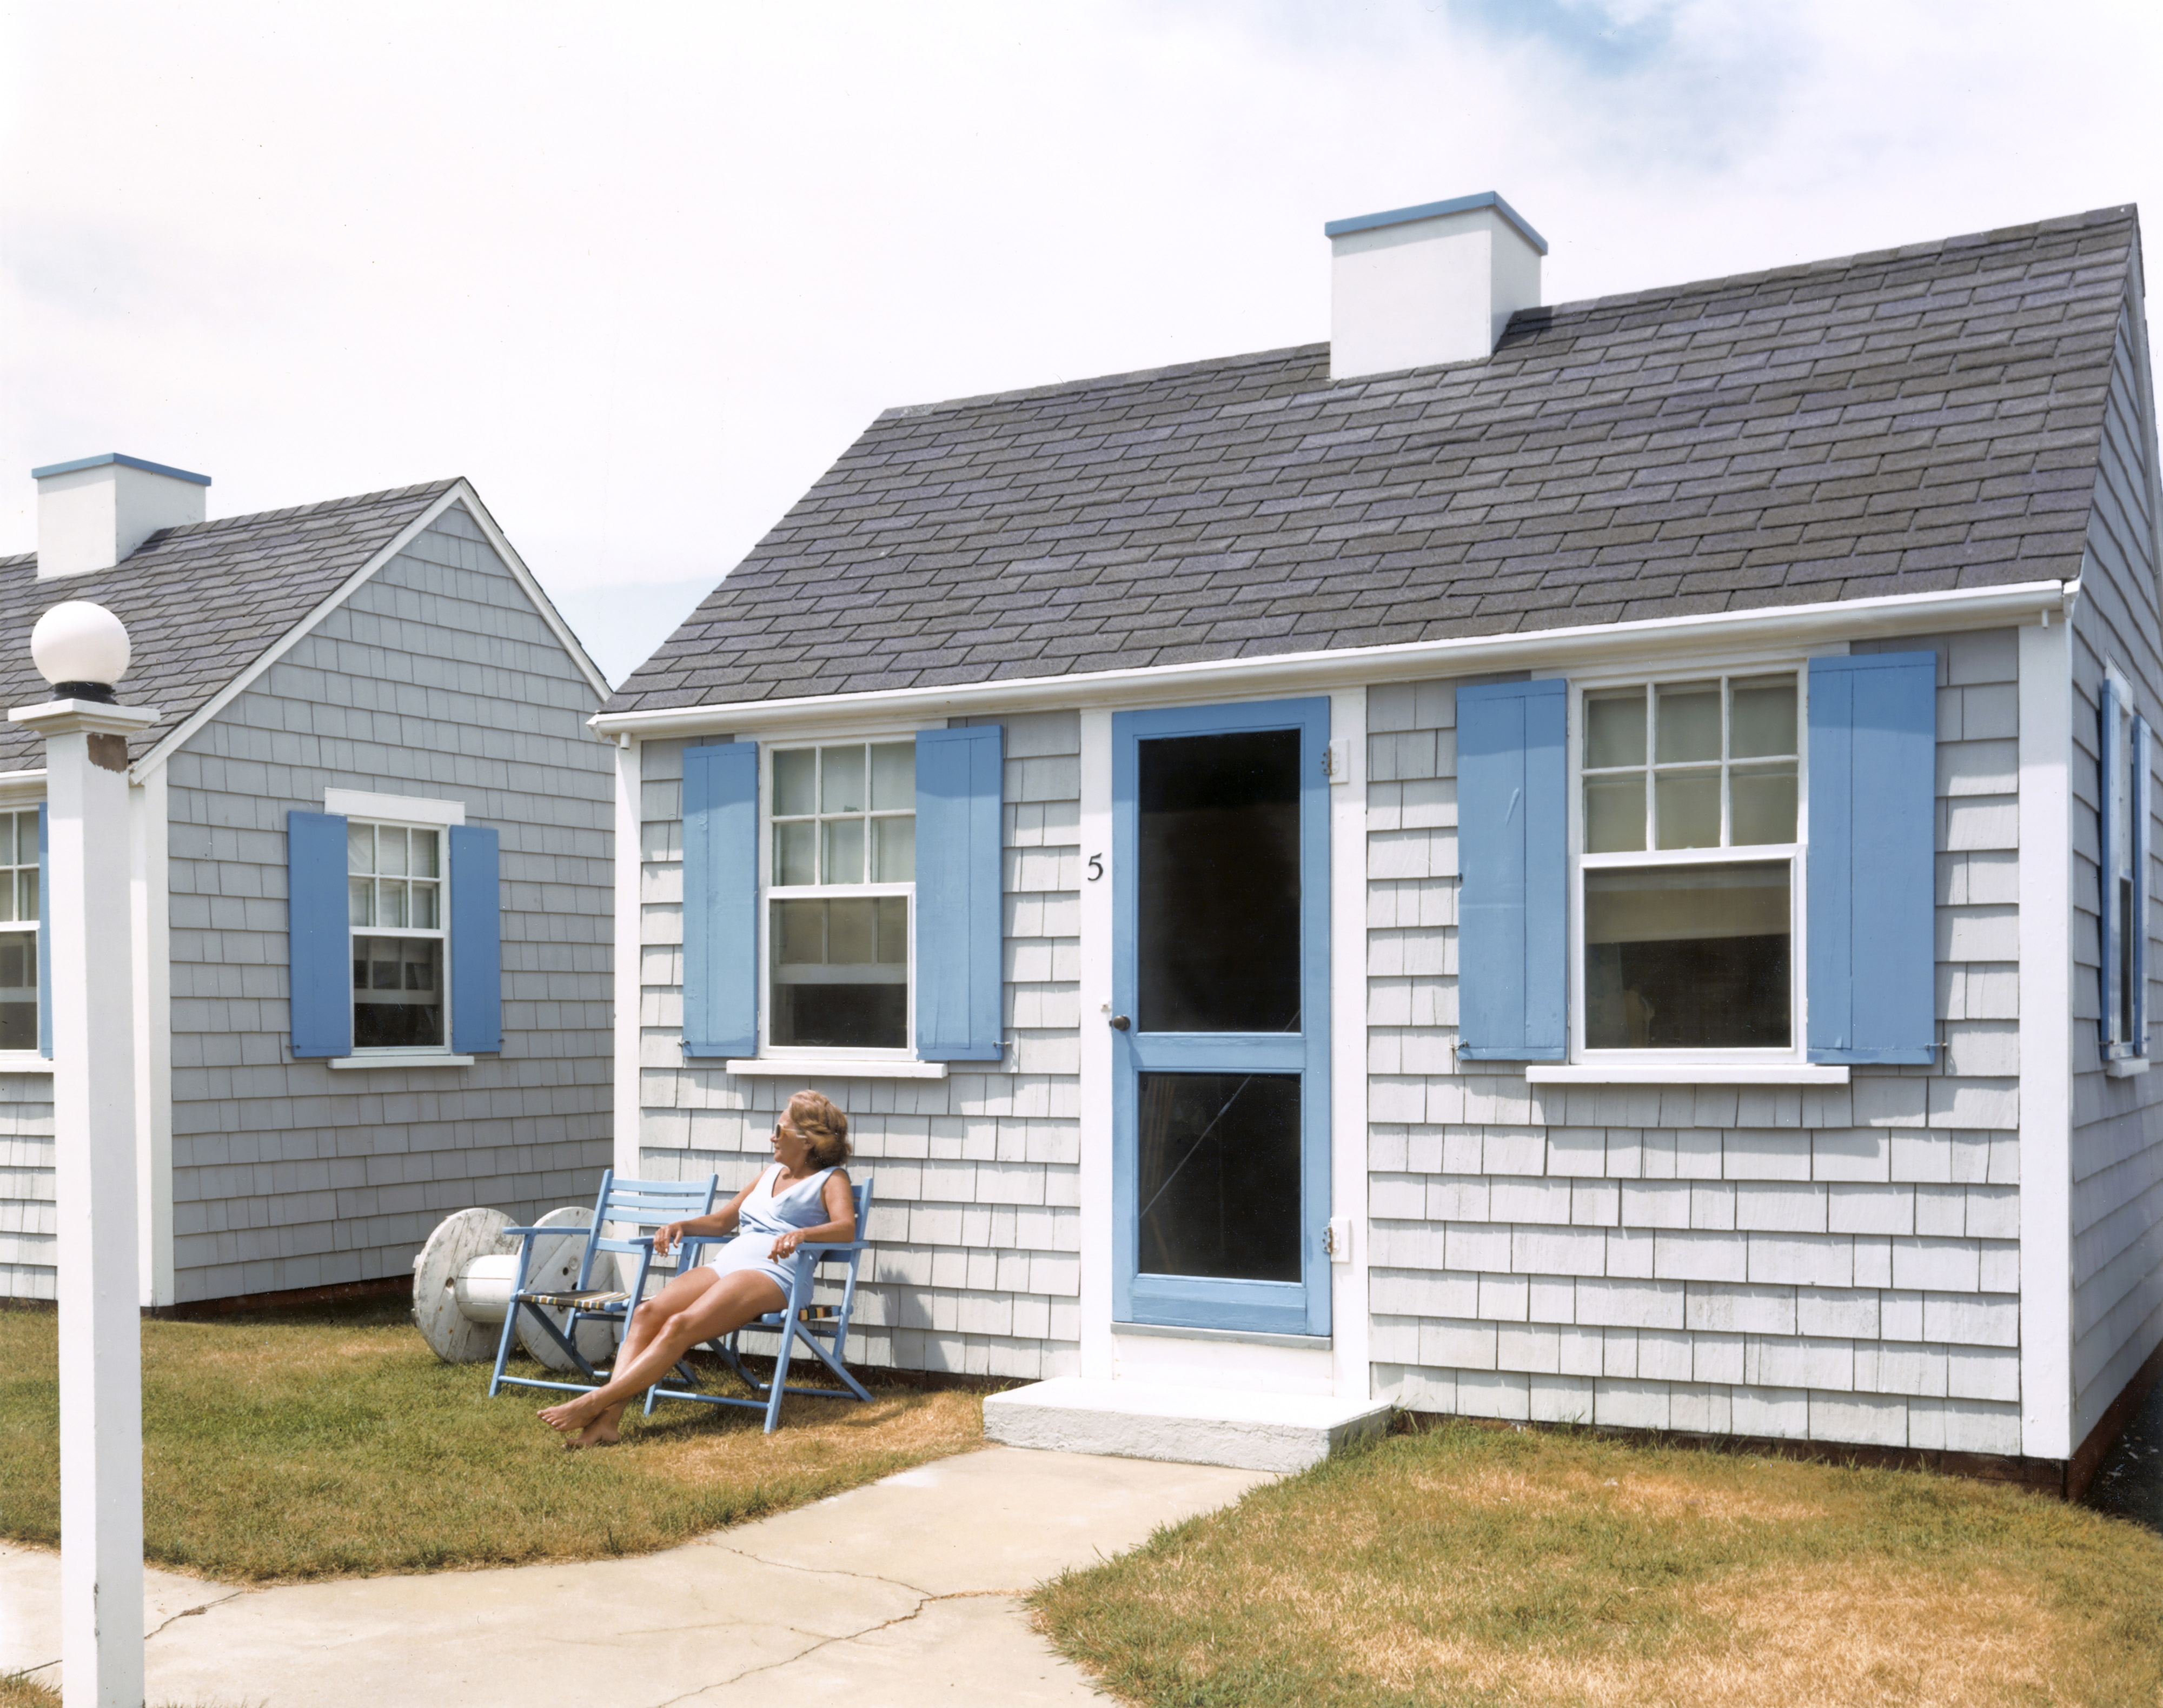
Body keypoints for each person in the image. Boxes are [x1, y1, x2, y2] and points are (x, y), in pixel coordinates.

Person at [538, 1089, 855, 1448]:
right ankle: (607, 1423)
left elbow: (846, 1228)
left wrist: (802, 1234)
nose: (771, 1137)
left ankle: (595, 1401)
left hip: (773, 1274)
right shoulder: (770, 1174)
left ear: (807, 1140)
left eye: (779, 1131)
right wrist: (683, 1226)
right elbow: (721, 1222)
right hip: (729, 1264)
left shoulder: (831, 1179)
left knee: (679, 1325)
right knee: (647, 1313)